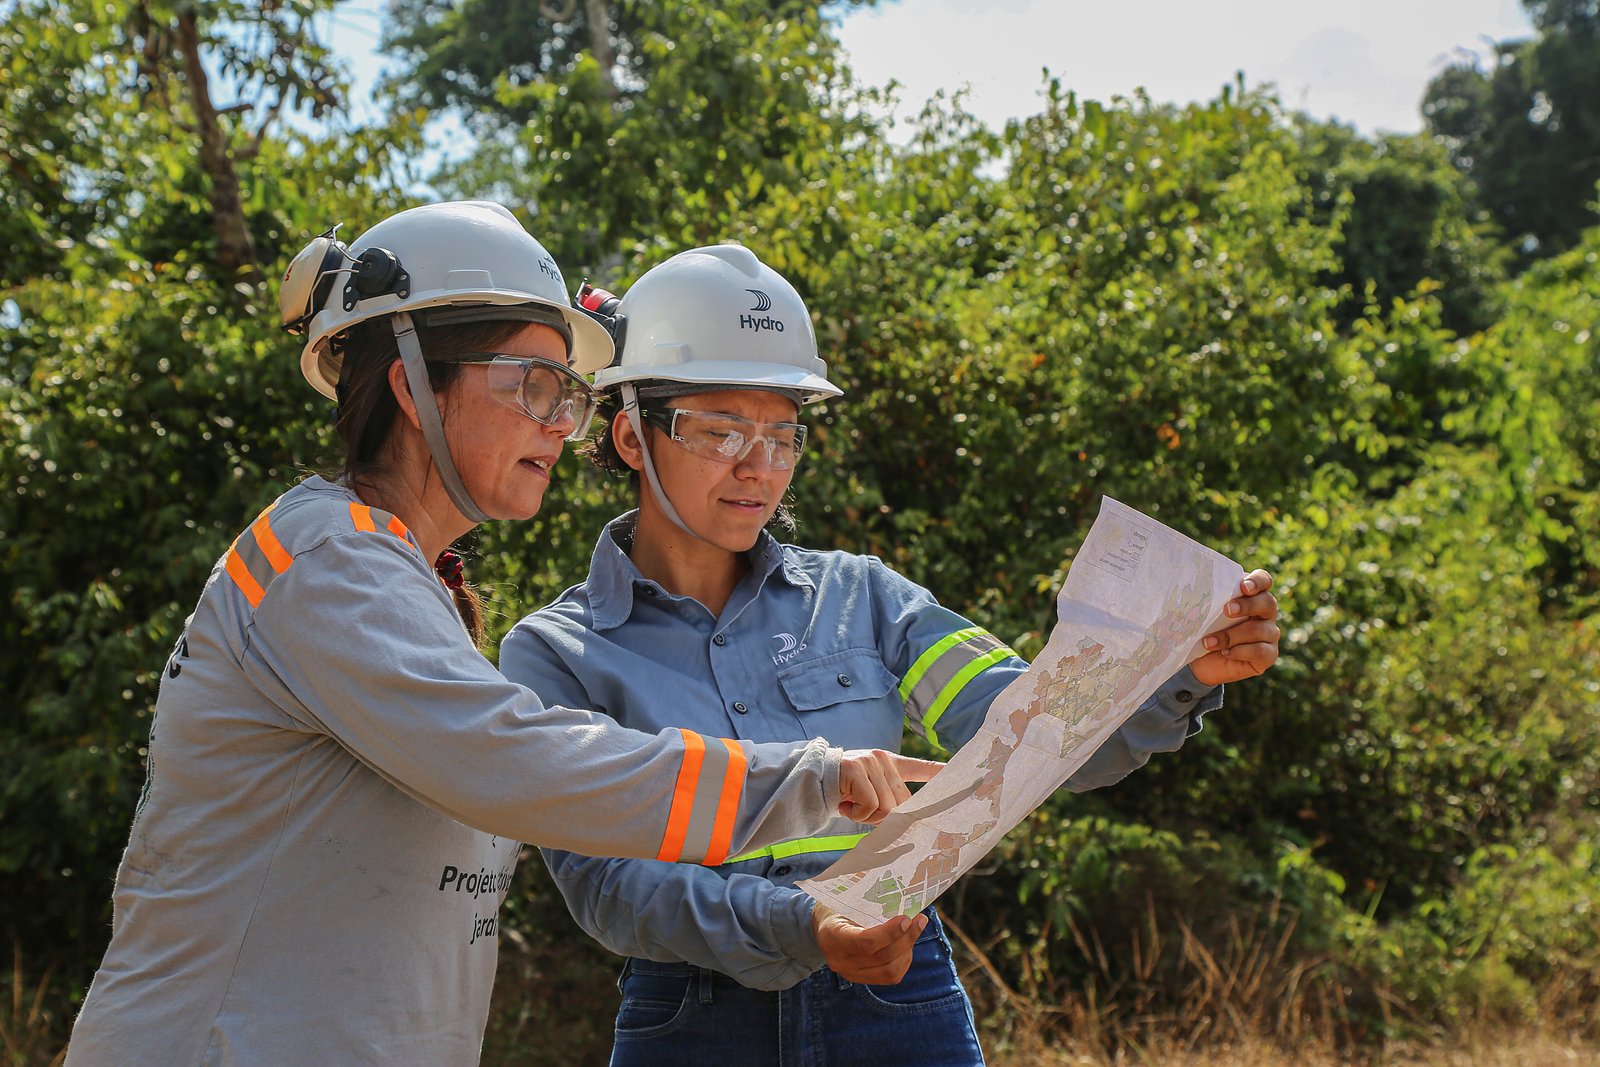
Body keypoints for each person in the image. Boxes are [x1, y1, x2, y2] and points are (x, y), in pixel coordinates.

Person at [64, 205, 938, 1066]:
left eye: (571, 394)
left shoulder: (403, 588)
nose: (564, 423)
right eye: (537, 386)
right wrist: (809, 779)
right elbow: (521, 761)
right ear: (413, 386)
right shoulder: (328, 559)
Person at [498, 244, 1281, 1065]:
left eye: (782, 435)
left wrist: (1177, 673)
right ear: (630, 436)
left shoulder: (866, 600)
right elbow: (610, 889)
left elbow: (1036, 741)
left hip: (896, 996)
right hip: (693, 1017)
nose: (758, 468)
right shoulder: (558, 653)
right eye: (721, 430)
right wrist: (805, 925)